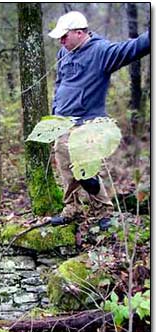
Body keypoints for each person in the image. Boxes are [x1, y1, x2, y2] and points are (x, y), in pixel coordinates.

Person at [48, 11, 150, 223]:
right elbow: (60, 84)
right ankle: (72, 208)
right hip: (62, 121)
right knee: (65, 165)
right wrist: (55, 111)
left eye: (64, 36)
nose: (61, 40)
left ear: (79, 32)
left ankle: (103, 212)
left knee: (89, 170)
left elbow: (134, 48)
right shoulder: (63, 53)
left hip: (88, 123)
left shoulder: (102, 51)